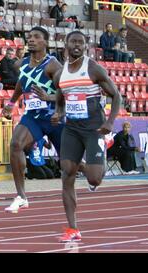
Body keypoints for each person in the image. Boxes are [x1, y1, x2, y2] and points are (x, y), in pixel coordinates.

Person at [51, 31, 122, 242]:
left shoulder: (92, 68)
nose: (77, 45)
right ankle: (73, 229)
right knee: (66, 174)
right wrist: (58, 112)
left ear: (86, 46)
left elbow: (116, 95)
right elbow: (60, 95)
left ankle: (97, 157)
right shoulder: (60, 74)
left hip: (94, 129)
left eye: (80, 42)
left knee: (94, 178)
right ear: (65, 44)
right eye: (73, 41)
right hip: (72, 129)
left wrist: (109, 122)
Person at [2, 27, 64, 214]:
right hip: (34, 116)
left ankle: (90, 172)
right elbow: (22, 83)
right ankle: (21, 196)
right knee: (15, 144)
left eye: (36, 37)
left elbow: (66, 93)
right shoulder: (21, 64)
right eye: (29, 37)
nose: (31, 40)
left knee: (71, 164)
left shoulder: (53, 65)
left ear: (45, 42)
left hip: (55, 117)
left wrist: (51, 100)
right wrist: (12, 102)